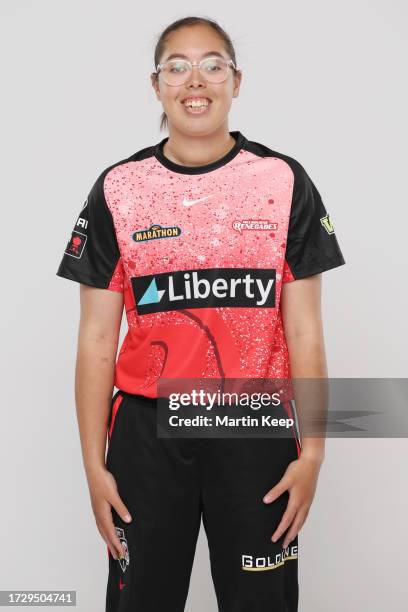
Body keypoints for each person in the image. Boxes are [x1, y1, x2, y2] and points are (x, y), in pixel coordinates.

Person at [56, 15, 345, 612]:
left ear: (236, 82)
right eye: (177, 66)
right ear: (157, 85)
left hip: (253, 424)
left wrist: (313, 452)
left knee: (260, 601)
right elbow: (95, 340)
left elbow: (306, 329)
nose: (196, 80)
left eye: (213, 64)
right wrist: (93, 466)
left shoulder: (283, 180)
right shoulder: (119, 188)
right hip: (147, 433)